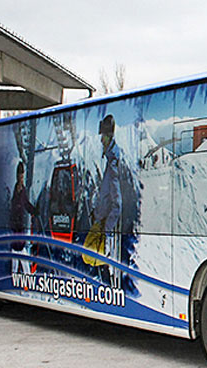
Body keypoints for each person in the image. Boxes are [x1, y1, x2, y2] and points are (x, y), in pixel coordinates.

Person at [86, 114, 123, 288]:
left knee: (100, 271)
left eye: (103, 136)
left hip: (105, 231)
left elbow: (117, 204)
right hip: (101, 224)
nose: (101, 140)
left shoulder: (114, 163)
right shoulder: (110, 160)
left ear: (109, 137)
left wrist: (106, 231)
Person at [9, 161, 36, 274]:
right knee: (19, 249)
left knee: (18, 249)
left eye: (22, 175)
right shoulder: (14, 189)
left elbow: (25, 203)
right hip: (15, 225)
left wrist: (34, 211)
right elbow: (15, 205)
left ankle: (20, 274)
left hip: (20, 224)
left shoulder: (22, 189)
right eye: (20, 175)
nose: (21, 177)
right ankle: (21, 274)